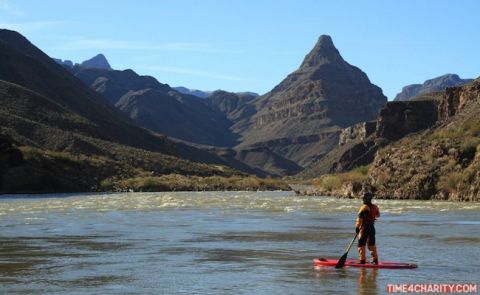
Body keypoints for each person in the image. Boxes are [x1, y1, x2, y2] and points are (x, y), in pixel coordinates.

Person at [355, 192, 380, 264]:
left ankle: (362, 260)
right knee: (371, 244)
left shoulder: (364, 207)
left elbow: (359, 218)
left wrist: (357, 227)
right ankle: (375, 260)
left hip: (364, 228)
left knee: (361, 244)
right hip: (372, 228)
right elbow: (378, 215)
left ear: (365, 199)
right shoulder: (375, 207)